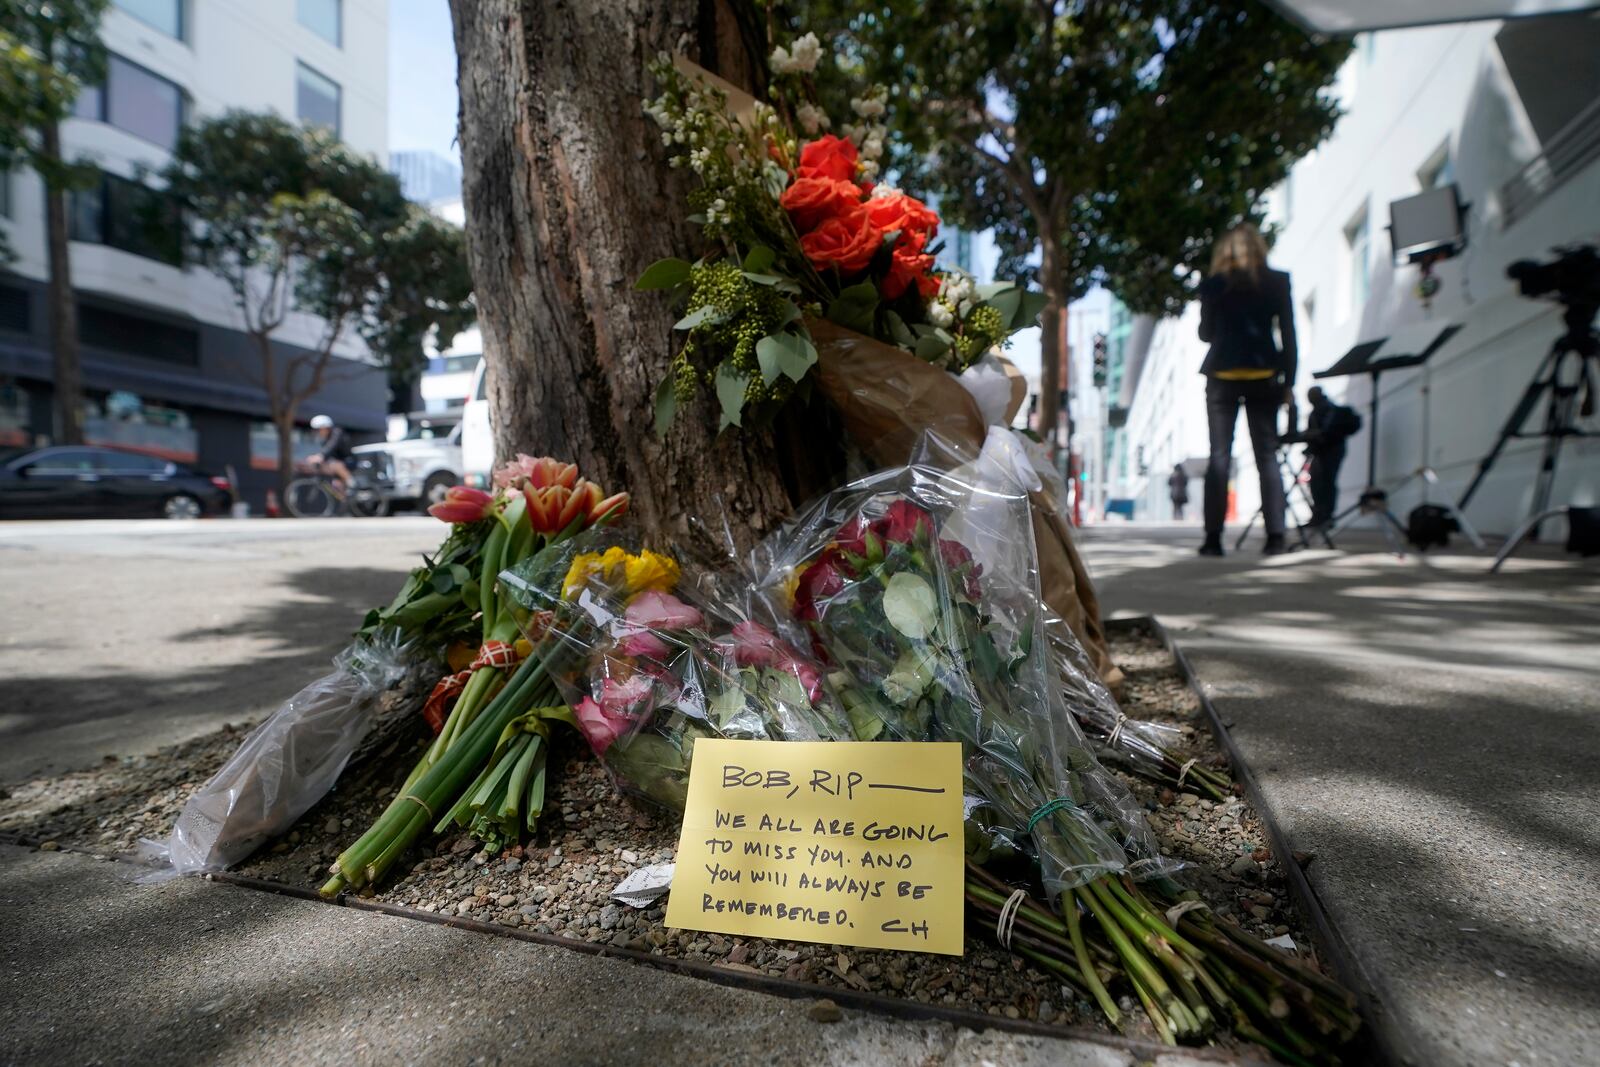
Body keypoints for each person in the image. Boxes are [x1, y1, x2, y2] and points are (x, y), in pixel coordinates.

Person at [1196, 223, 1297, 557]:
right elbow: (1288, 335)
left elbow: (1206, 334)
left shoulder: (1213, 285)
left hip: (1222, 374)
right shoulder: (1277, 281)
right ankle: (1276, 537)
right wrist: (1289, 382)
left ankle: (1213, 540)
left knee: (1219, 457)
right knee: (1266, 455)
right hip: (1264, 373)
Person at [1301, 385, 1360, 528]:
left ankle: (1326, 516)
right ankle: (1319, 515)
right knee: (1316, 482)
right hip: (1320, 452)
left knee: (1327, 482)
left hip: (1332, 450)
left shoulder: (1330, 410)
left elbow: (1326, 432)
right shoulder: (1316, 413)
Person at [307, 414, 353, 491]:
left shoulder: (337, 432)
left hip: (349, 460)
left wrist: (320, 456)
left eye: (318, 429)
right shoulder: (325, 439)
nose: (317, 432)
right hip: (337, 463)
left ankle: (353, 483)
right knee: (337, 486)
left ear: (325, 428)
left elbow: (331, 447)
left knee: (335, 465)